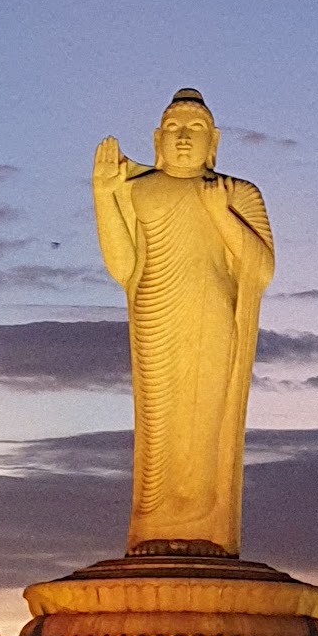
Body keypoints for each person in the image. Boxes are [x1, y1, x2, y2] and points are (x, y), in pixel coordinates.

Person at [93, 89, 273, 557]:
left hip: (210, 315)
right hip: (155, 311)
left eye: (194, 131)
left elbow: (261, 268)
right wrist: (104, 194)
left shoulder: (236, 192)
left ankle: (203, 526)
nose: (184, 139)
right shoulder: (140, 188)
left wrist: (221, 216)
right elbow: (122, 265)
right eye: (173, 130)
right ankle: (154, 528)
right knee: (158, 423)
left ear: (213, 141)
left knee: (203, 419)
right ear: (157, 138)